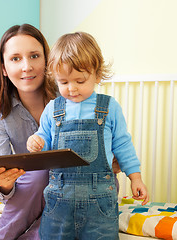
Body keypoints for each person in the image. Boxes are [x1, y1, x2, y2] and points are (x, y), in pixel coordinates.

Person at [27, 32, 149, 240]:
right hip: (59, 202)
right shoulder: (52, 109)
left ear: (97, 75)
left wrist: (135, 178)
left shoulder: (109, 108)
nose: (72, 88)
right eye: (63, 82)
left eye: (80, 81)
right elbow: (45, 140)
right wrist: (36, 141)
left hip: (100, 204)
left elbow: (123, 144)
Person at [0, 24, 58, 240]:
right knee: (37, 176)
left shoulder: (71, 95)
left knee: (47, 177)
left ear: (47, 61)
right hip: (30, 188)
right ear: (4, 68)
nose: (27, 66)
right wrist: (4, 185)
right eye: (16, 58)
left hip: (74, 185)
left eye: (34, 56)